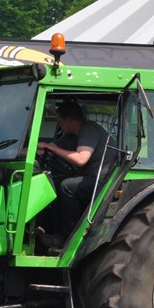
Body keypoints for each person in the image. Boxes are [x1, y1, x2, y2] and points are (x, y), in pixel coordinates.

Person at [35, 101, 112, 251]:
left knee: (68, 186)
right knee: (54, 184)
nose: (59, 124)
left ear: (68, 120)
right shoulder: (72, 136)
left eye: (60, 121)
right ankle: (53, 233)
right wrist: (17, 152)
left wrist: (52, 148)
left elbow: (81, 159)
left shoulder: (89, 130)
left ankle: (67, 237)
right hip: (92, 179)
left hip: (105, 182)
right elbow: (45, 149)